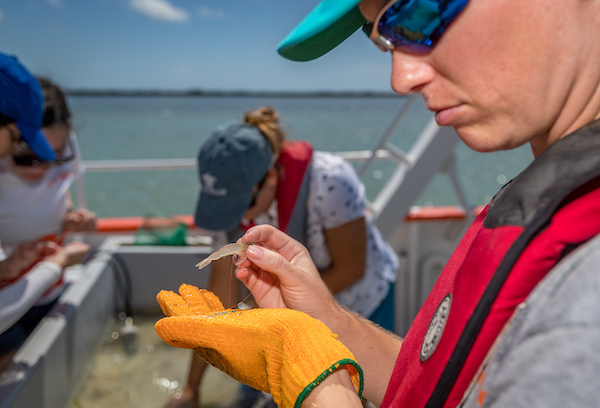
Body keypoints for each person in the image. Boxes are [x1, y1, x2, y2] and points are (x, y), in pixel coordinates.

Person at [155, 0, 600, 407]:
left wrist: (319, 384)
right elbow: (424, 384)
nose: (400, 79)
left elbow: (354, 265)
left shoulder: (585, 302)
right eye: (384, 42)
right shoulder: (543, 197)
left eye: (420, 13)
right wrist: (327, 320)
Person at [166, 105, 398, 408]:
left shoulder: (330, 180)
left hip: (363, 300)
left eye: (241, 203)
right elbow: (219, 295)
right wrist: (191, 389)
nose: (236, 216)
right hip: (283, 311)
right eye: (221, 206)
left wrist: (269, 313)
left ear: (271, 177)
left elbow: (352, 268)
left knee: (367, 392)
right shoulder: (235, 213)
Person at [0, 75, 92, 371]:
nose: (43, 168)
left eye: (54, 157)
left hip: (48, 282)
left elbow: (59, 191)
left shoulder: (67, 145)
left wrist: (69, 218)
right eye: (27, 156)